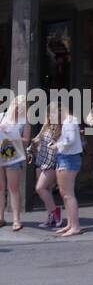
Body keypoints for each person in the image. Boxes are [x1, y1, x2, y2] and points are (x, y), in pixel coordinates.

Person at [53, 102, 84, 236]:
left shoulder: (69, 122)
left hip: (68, 158)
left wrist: (57, 145)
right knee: (64, 193)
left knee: (68, 194)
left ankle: (75, 226)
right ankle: (70, 224)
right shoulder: (69, 121)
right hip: (66, 157)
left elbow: (70, 140)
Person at [0, 95, 30, 231]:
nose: (19, 110)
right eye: (17, 107)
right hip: (1, 154)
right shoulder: (2, 116)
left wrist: (13, 136)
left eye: (22, 107)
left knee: (13, 188)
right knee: (0, 188)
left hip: (14, 156)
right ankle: (1, 218)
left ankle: (16, 220)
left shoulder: (25, 121)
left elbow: (26, 140)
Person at [31, 113, 62, 229]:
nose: (51, 116)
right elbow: (37, 140)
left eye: (54, 114)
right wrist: (31, 148)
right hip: (40, 161)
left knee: (40, 188)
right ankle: (50, 217)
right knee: (46, 192)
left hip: (51, 163)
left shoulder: (60, 128)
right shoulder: (45, 127)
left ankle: (55, 211)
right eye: (49, 114)